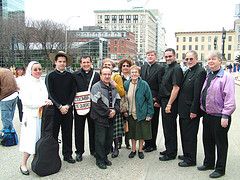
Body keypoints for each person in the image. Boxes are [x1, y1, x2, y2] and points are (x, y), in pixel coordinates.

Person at [198, 51, 236, 178]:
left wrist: (226, 115)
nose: (210, 62)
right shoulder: (209, 75)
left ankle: (220, 168)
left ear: (220, 61)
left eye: (213, 59)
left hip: (220, 116)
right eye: (208, 59)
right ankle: (208, 163)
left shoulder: (226, 77)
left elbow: (229, 98)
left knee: (220, 143)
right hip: (208, 114)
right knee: (207, 141)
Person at [19, 61, 52, 175]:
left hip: (41, 116)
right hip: (31, 117)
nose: (38, 71)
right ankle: (23, 164)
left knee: (38, 140)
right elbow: (26, 102)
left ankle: (35, 162)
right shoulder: (26, 83)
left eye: (39, 69)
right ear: (30, 71)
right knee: (29, 141)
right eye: (35, 69)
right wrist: (42, 103)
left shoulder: (41, 82)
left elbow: (45, 96)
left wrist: (47, 102)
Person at [46, 51, 76, 163]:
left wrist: (68, 105)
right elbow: (50, 93)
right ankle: (53, 155)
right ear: (55, 62)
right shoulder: (50, 76)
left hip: (67, 109)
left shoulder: (70, 76)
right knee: (54, 133)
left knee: (67, 132)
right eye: (60, 61)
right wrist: (59, 106)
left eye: (64, 62)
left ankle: (67, 154)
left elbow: (73, 91)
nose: (62, 63)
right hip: (55, 109)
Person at [177, 50, 206, 167]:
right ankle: (187, 154)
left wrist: (194, 110)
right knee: (184, 133)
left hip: (191, 110)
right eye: (187, 59)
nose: (188, 61)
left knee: (190, 135)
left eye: (191, 59)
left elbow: (197, 93)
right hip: (184, 109)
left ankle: (190, 159)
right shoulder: (189, 71)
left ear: (196, 59)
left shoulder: (200, 72)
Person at [90, 66, 121, 169]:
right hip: (100, 118)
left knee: (108, 140)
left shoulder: (113, 87)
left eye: (109, 74)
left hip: (111, 118)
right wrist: (108, 112)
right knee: (100, 140)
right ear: (100, 75)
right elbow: (96, 104)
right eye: (105, 74)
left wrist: (115, 110)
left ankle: (105, 157)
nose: (107, 76)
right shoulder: (96, 87)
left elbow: (117, 101)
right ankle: (99, 160)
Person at [73, 55, 100, 162]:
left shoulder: (96, 75)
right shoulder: (75, 75)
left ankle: (93, 149)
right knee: (79, 129)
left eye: (88, 62)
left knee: (93, 129)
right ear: (80, 63)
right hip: (79, 106)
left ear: (91, 63)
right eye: (84, 62)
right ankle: (79, 151)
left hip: (93, 106)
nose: (86, 64)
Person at [124, 65, 154, 159]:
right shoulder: (126, 84)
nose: (134, 74)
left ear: (139, 73)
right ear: (129, 74)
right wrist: (124, 110)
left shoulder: (144, 84)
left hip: (141, 113)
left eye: (136, 72)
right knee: (132, 133)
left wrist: (150, 114)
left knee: (141, 133)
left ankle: (140, 150)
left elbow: (149, 100)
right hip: (130, 113)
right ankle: (133, 150)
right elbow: (124, 98)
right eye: (132, 72)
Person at [159, 48, 183, 161]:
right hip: (165, 101)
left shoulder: (176, 69)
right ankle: (169, 148)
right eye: (166, 56)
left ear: (175, 56)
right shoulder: (169, 68)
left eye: (170, 56)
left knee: (170, 128)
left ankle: (171, 153)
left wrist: (169, 104)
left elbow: (176, 88)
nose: (168, 58)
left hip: (170, 102)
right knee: (166, 127)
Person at [140, 50, 165, 153]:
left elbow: (161, 85)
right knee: (146, 122)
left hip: (154, 99)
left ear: (155, 57)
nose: (150, 57)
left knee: (154, 122)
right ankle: (147, 143)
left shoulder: (160, 68)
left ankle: (152, 144)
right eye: (148, 55)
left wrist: (158, 100)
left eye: (152, 55)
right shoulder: (143, 67)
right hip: (144, 99)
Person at [101, 58, 125, 158]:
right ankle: (108, 147)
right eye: (105, 65)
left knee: (115, 130)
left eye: (109, 65)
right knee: (106, 128)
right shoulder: (102, 77)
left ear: (113, 67)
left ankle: (116, 148)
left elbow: (122, 93)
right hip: (104, 107)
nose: (107, 66)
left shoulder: (117, 77)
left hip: (115, 107)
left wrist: (114, 84)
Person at [118, 58, 133, 149]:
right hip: (120, 103)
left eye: (127, 66)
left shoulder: (132, 77)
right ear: (121, 67)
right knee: (120, 123)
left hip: (130, 102)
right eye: (124, 66)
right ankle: (119, 142)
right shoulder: (118, 77)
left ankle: (127, 142)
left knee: (128, 123)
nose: (126, 67)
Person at [0, 67, 18, 132]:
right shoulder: (7, 70)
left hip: (5, 97)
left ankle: (8, 136)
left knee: (6, 119)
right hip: (14, 95)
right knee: (10, 117)